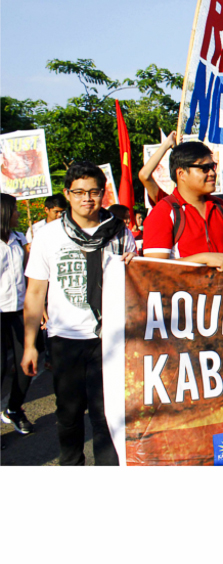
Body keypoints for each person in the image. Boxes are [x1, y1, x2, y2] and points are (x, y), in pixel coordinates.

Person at [21, 162, 136, 465]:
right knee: (69, 414)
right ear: (67, 194)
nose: (87, 198)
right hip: (65, 339)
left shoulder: (120, 233)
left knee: (106, 415)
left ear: (103, 193)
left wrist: (132, 266)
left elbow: (136, 287)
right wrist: (30, 345)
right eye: (79, 192)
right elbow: (35, 293)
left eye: (94, 192)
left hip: (109, 341)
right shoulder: (48, 236)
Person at [143, 141, 223, 270]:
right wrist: (203, 259)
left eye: (213, 166)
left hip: (221, 289)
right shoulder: (164, 211)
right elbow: (154, 268)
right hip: (182, 290)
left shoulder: (221, 206)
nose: (212, 173)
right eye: (204, 168)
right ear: (181, 174)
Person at [1, 194, 34, 435]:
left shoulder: (19, 238)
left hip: (21, 310)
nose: (18, 214)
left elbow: (28, 273)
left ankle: (13, 408)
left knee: (29, 360)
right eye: (14, 210)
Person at [138, 130, 177, 206]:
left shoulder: (207, 202)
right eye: (203, 169)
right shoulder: (173, 205)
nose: (208, 174)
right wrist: (167, 144)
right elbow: (144, 175)